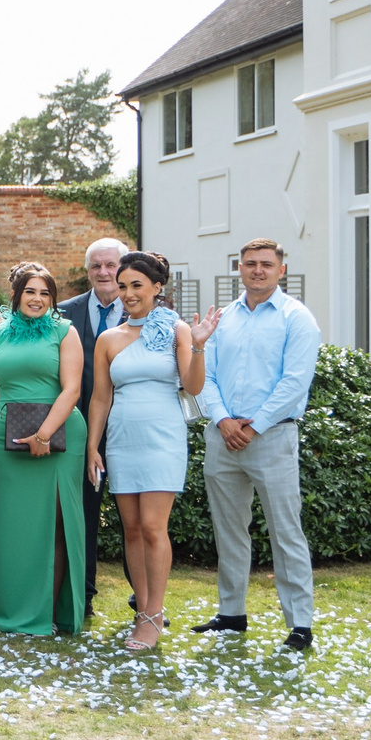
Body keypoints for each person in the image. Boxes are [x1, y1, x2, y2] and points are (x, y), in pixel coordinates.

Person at [192, 237, 322, 651]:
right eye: (250, 264)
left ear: (281, 270)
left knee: (287, 531)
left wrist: (254, 427)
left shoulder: (296, 318)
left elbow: (294, 382)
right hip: (222, 435)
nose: (258, 270)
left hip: (273, 437)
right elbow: (205, 376)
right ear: (239, 268)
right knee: (229, 530)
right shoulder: (224, 318)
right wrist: (224, 420)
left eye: (266, 264)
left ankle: (300, 622)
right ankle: (231, 613)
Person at [85, 251, 212, 652]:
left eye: (136, 285)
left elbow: (192, 387)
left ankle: (155, 614)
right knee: (133, 528)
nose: (128, 294)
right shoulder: (109, 339)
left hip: (162, 437)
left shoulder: (176, 330)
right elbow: (100, 399)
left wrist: (199, 345)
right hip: (122, 439)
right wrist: (92, 446)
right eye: (122, 287)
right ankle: (142, 608)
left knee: (155, 527)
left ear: (158, 288)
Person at [0, 263, 87, 636]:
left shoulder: (64, 331)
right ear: (16, 295)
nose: (37, 299)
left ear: (52, 299)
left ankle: (47, 616)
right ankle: (14, 616)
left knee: (53, 526)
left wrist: (43, 435)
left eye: (45, 293)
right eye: (30, 292)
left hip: (58, 439)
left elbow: (72, 389)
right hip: (4, 443)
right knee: (14, 530)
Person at [58, 236, 129, 611]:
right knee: (81, 515)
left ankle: (143, 597)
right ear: (87, 271)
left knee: (134, 518)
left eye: (111, 264)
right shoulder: (64, 312)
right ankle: (80, 596)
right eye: (96, 266)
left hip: (130, 430)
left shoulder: (143, 312)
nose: (104, 272)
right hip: (78, 431)